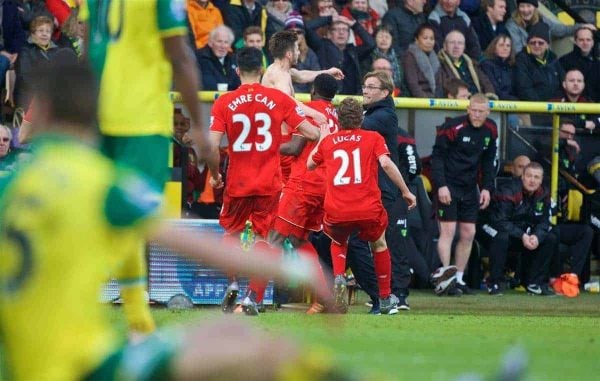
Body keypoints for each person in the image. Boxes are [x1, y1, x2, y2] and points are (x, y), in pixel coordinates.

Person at [0, 59, 340, 381]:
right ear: (95, 116)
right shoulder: (99, 182)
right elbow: (188, 242)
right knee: (241, 341)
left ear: (39, 112)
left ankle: (194, 303)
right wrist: (299, 270)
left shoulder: (9, 183)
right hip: (89, 366)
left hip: (27, 367)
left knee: (229, 243)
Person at [80, 0, 220, 337]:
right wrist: (201, 128)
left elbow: (86, 49)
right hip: (140, 120)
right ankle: (68, 300)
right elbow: (180, 55)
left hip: (98, 115)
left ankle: (138, 322)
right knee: (135, 219)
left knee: (113, 219)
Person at [209, 47, 321, 315]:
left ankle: (233, 281)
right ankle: (252, 297)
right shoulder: (277, 99)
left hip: (237, 181)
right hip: (269, 183)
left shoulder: (223, 102)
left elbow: (212, 145)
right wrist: (319, 127)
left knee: (232, 233)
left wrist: (215, 176)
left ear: (237, 71)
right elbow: (310, 132)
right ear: (261, 70)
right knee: (266, 238)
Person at [308, 97, 416, 315]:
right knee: (379, 244)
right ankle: (385, 298)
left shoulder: (330, 142)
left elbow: (310, 164)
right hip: (367, 206)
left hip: (337, 207)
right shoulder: (373, 137)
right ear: (361, 118)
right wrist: (405, 191)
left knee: (338, 240)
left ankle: (339, 277)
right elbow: (386, 163)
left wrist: (323, 138)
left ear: (339, 119)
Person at [270, 73, 340, 313]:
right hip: (325, 186)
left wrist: (264, 146)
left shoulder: (309, 109)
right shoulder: (335, 115)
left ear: (313, 90)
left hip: (304, 183)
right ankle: (324, 298)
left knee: (274, 237)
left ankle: (253, 298)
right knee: (299, 240)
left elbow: (294, 147)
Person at [431, 93, 498, 295]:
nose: (477, 115)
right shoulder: (453, 127)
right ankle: (445, 279)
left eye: (481, 111)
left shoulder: (491, 129)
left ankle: (459, 279)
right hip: (449, 185)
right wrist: (441, 185)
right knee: (448, 232)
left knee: (469, 233)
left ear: (488, 112)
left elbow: (489, 162)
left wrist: (486, 188)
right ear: (468, 109)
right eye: (474, 110)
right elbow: (437, 158)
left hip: (470, 188)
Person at [261, 30, 343, 182]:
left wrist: (327, 72)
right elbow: (287, 102)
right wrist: (314, 114)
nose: (299, 52)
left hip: (283, 138)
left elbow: (301, 75)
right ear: (289, 54)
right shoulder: (277, 75)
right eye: (297, 48)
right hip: (279, 139)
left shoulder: (284, 71)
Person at [484, 162, 556, 295]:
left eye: (536, 177)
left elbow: (545, 221)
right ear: (522, 176)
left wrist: (536, 236)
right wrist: (523, 235)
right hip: (489, 227)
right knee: (502, 237)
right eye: (529, 176)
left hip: (519, 232)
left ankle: (535, 283)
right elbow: (500, 221)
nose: (532, 180)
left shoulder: (543, 193)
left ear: (541, 180)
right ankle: (494, 282)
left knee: (549, 238)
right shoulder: (509, 190)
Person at [305, 14, 375, 95]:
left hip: (352, 99)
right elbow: (307, 27)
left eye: (344, 29)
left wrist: (354, 25)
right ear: (329, 34)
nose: (341, 32)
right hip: (327, 96)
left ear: (349, 35)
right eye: (336, 29)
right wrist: (330, 18)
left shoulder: (353, 51)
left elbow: (371, 44)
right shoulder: (321, 46)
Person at [505, 0, 596, 55]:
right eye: (522, 6)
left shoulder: (541, 19)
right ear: (518, 7)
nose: (525, 10)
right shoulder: (512, 25)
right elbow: (518, 52)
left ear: (535, 7)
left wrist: (581, 26)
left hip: (546, 61)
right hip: (526, 67)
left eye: (529, 6)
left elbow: (560, 30)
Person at [14, 15, 61, 109]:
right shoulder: (25, 51)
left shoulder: (57, 51)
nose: (45, 34)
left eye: (48, 31)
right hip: (29, 95)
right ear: (33, 34)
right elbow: (25, 77)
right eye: (41, 31)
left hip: (51, 95)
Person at [436, 30, 496, 99]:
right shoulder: (439, 64)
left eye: (460, 43)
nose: (456, 46)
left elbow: (486, 83)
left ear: (464, 47)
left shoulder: (472, 63)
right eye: (452, 42)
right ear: (445, 46)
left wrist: (490, 97)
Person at [514, 22, 564, 103]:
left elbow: (564, 83)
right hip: (533, 108)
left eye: (540, 43)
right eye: (533, 43)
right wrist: (542, 106)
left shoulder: (553, 60)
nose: (536, 45)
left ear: (547, 45)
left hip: (555, 106)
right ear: (528, 44)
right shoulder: (521, 60)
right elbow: (524, 88)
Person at [195, 25, 242, 91]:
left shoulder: (234, 59)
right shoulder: (199, 57)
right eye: (219, 41)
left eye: (226, 42)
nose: (222, 46)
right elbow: (207, 84)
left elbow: (239, 83)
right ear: (210, 42)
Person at [559, 26, 600, 102]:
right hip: (571, 108)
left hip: (595, 110)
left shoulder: (598, 64)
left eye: (588, 40)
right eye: (581, 40)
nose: (585, 43)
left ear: (593, 42)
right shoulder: (564, 61)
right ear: (575, 41)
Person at [402, 24, 441, 98]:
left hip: (435, 100)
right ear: (416, 39)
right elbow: (412, 84)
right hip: (418, 100)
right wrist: (426, 101)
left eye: (432, 39)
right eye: (425, 38)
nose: (429, 41)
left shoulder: (435, 58)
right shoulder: (410, 56)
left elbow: (439, 85)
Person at [367, 26, 408, 96]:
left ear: (392, 40)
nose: (384, 40)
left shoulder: (399, 57)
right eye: (380, 37)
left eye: (387, 37)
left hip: (397, 94)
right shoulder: (368, 57)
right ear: (374, 39)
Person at [480, 34, 518, 101]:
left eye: (508, 46)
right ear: (494, 48)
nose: (505, 48)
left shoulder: (512, 66)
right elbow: (495, 89)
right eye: (501, 45)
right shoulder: (486, 65)